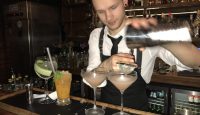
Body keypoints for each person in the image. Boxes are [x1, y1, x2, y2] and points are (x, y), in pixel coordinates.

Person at [85, 0, 200, 111]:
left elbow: (196, 61)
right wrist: (106, 66)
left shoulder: (145, 31)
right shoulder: (96, 35)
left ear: (124, 1)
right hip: (106, 111)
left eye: (113, 7)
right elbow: (91, 81)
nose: (108, 17)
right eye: (101, 12)